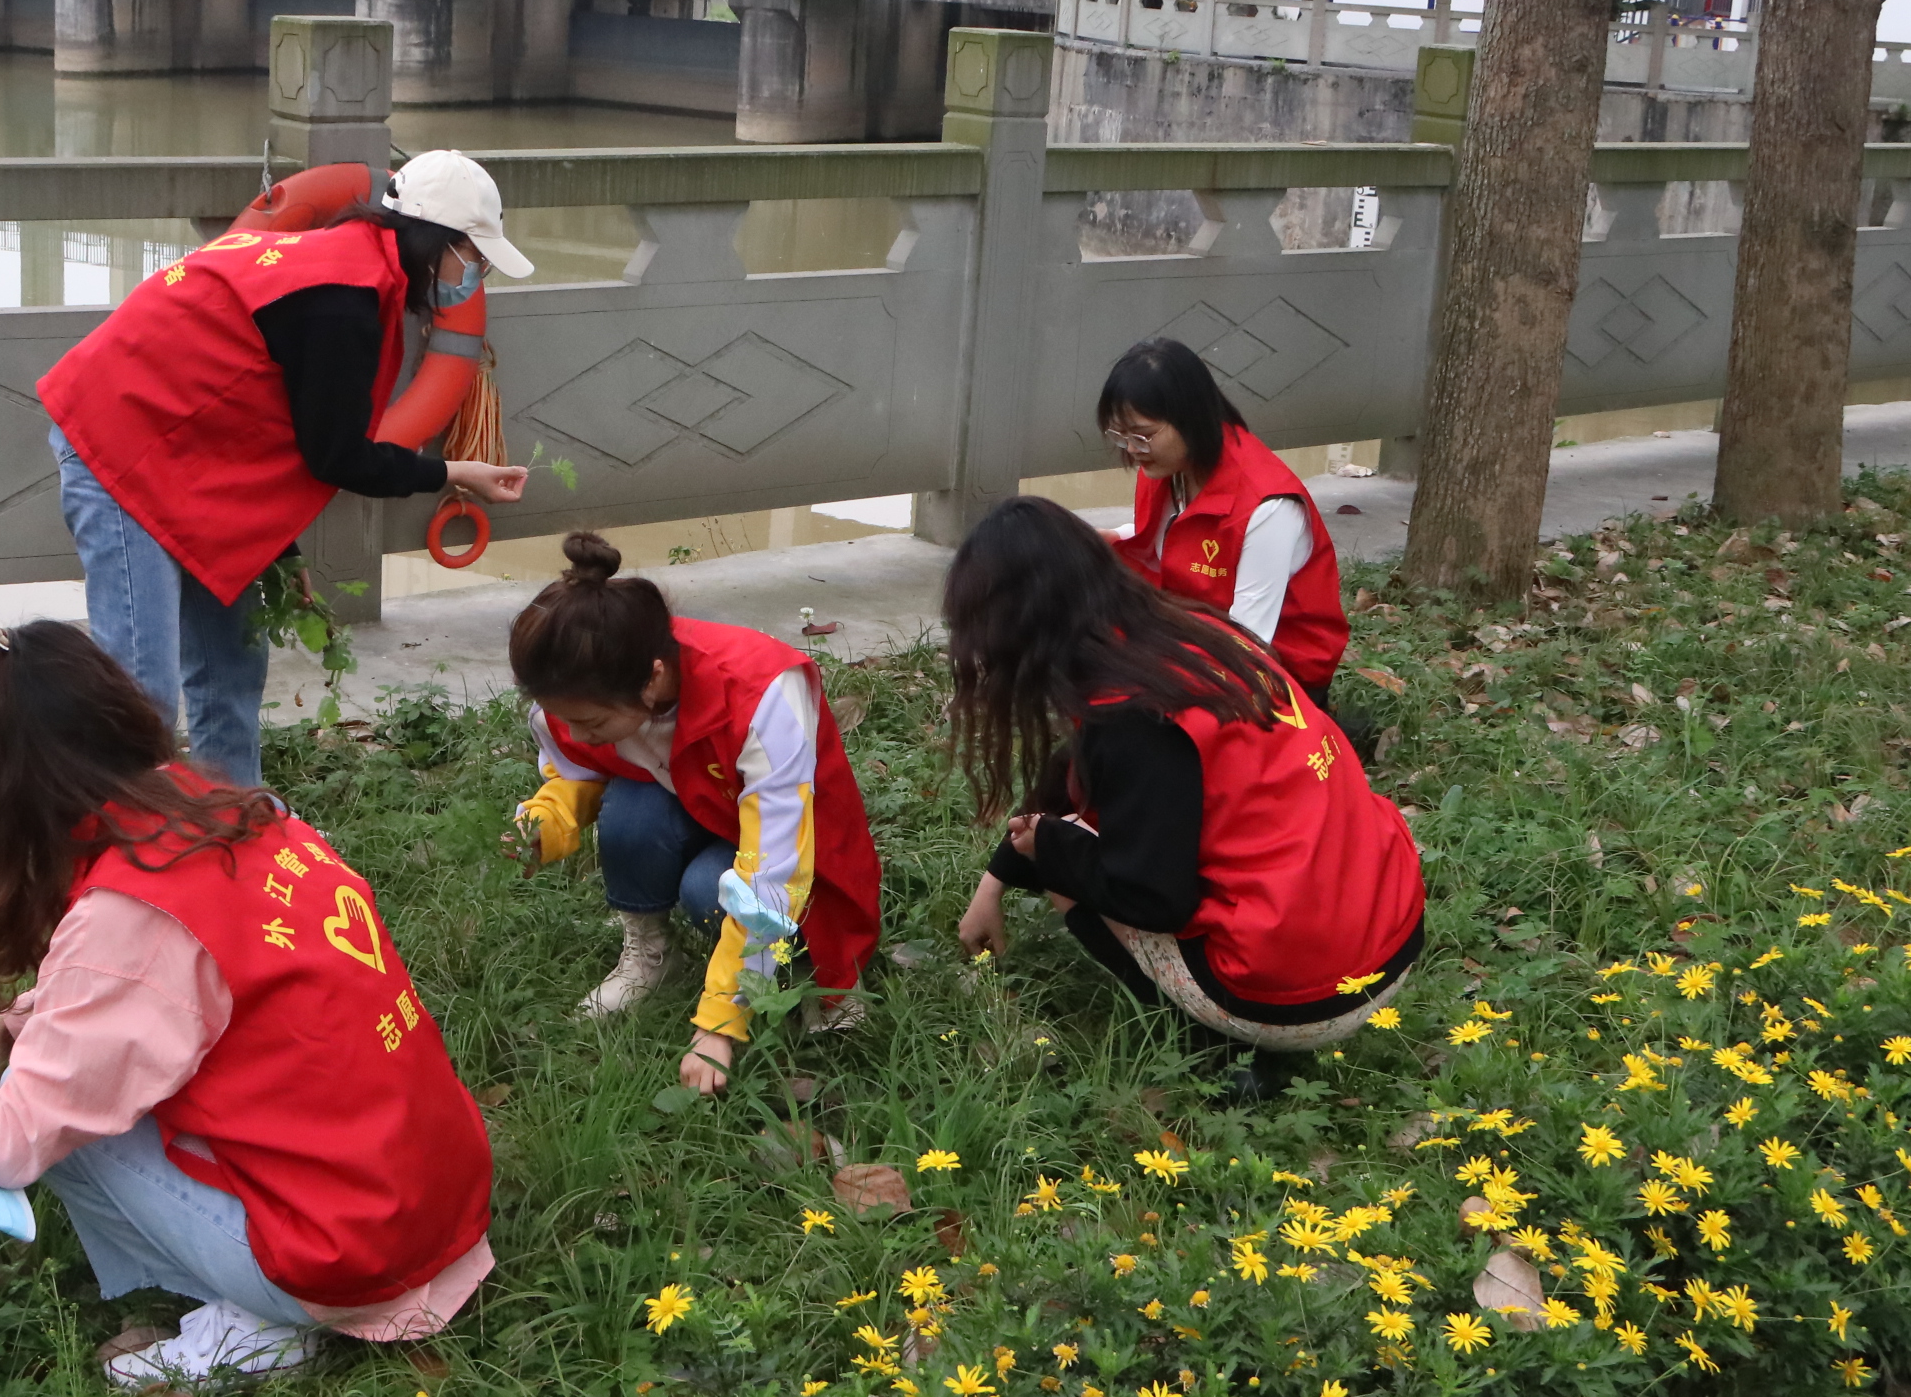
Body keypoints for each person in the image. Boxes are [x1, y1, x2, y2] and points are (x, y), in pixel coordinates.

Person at [0, 621, 492, 1385]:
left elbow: (10, 1144)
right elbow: (183, 979)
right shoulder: (243, 815)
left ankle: (265, 1323)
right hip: (432, 1204)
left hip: (342, 1259)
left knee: (57, 1124)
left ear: (2, 788)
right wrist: (23, 1019)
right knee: (66, 1076)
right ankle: (269, 1295)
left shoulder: (133, 912)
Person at [37, 151, 533, 786]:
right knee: (140, 689)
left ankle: (234, 816)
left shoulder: (355, 267)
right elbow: (338, 455)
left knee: (231, 664)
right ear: (433, 240)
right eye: (475, 256)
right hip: (117, 442)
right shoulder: (343, 296)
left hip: (189, 452)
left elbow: (266, 417)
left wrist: (280, 548)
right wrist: (452, 473)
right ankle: (116, 831)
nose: (476, 274)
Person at [942, 498, 1423, 1100]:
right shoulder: (1192, 636)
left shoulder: (1134, 720)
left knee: (1071, 854)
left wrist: (1047, 849)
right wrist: (996, 879)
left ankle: (1217, 1050)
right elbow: (1078, 764)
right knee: (1073, 836)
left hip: (1305, 997)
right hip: (1389, 931)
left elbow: (1154, 898)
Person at [507, 533, 882, 1095]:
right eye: (566, 720)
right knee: (628, 813)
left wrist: (719, 1024)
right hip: (701, 806)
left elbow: (775, 871)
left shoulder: (760, 693)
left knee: (710, 890)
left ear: (654, 678)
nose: (576, 734)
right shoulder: (581, 687)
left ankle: (801, 969)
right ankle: (652, 956)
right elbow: (575, 769)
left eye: (592, 724)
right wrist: (549, 822)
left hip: (805, 851)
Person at [1100, 337, 1348, 704]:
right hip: (1199, 634)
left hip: (1277, 675)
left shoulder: (1268, 505)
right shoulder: (1170, 466)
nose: (1133, 449)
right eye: (1121, 436)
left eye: (1144, 435)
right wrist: (1105, 539)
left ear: (1191, 418)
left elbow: (1248, 646)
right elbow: (1173, 535)